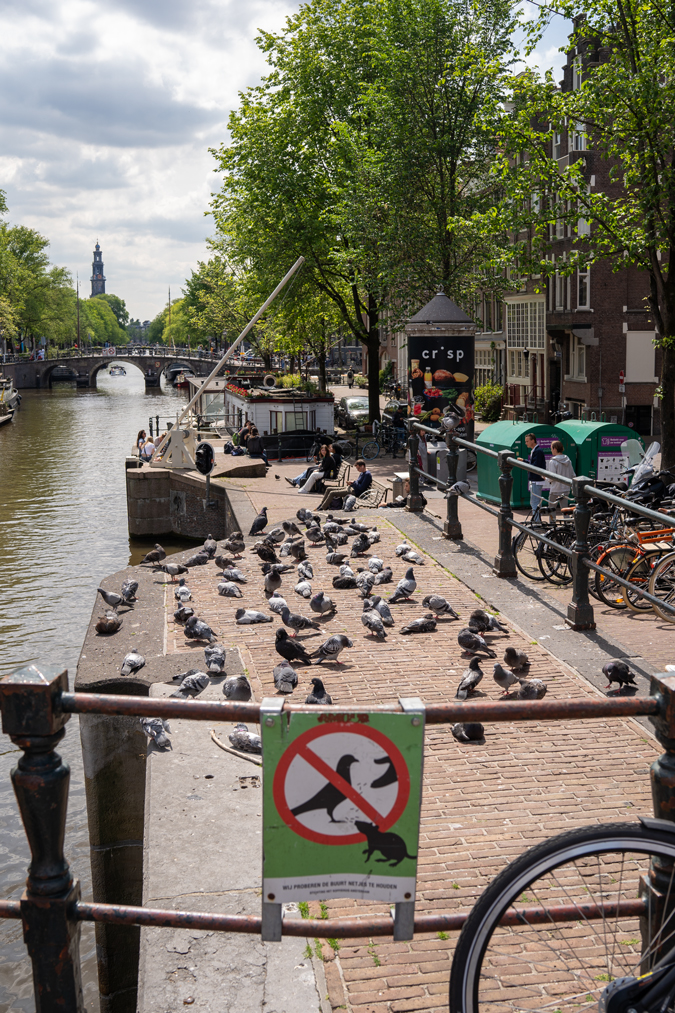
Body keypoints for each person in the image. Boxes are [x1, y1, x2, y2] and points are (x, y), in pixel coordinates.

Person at [520, 433, 547, 522]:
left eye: (527, 441)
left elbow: (535, 466)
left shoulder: (538, 451)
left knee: (535, 501)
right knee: (534, 501)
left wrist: (524, 462)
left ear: (533, 441)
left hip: (536, 480)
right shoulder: (535, 451)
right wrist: (524, 461)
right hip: (534, 479)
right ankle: (536, 519)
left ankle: (537, 521)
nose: (526, 443)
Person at [546, 441, 575, 516]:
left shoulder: (553, 461)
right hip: (565, 489)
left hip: (555, 489)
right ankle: (567, 525)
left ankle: (552, 525)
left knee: (551, 509)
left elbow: (552, 477)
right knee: (565, 510)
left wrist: (546, 478)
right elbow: (573, 475)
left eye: (551, 448)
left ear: (555, 449)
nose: (551, 450)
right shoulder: (568, 460)